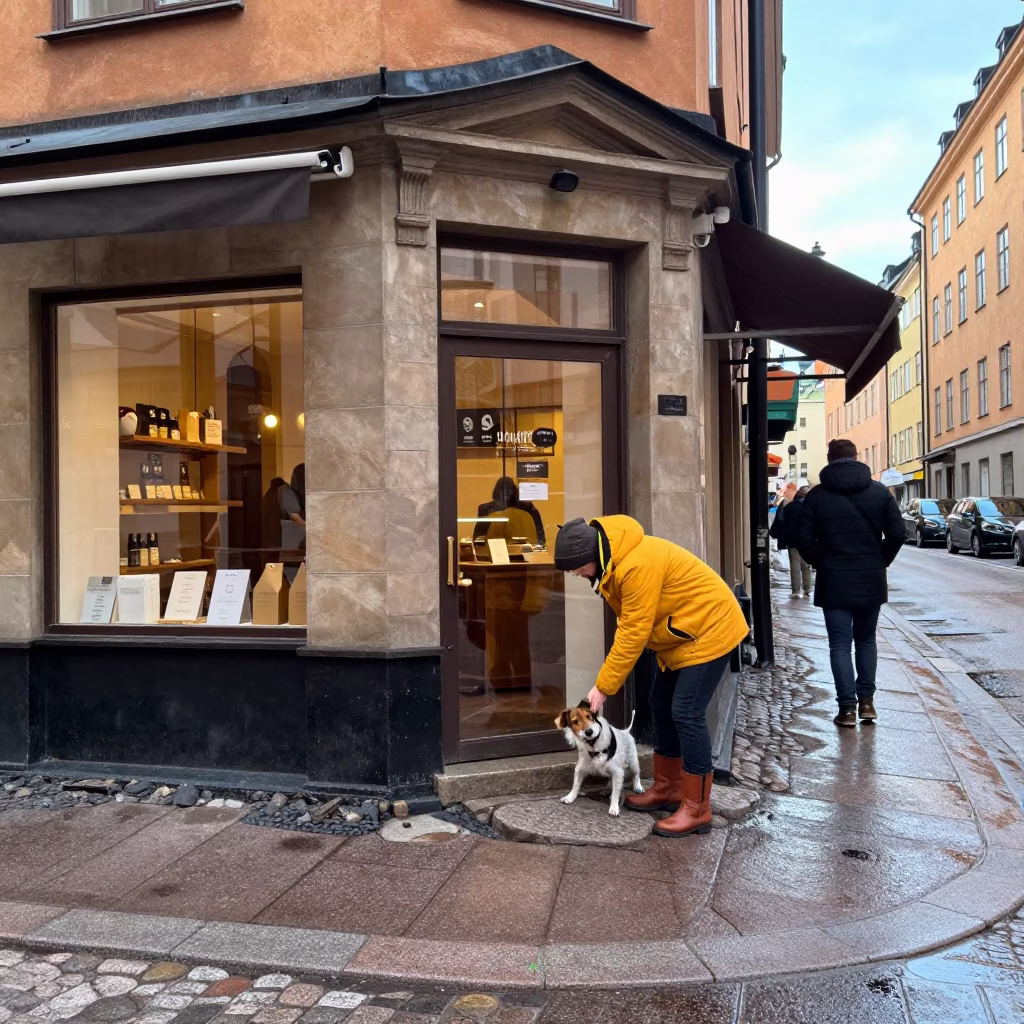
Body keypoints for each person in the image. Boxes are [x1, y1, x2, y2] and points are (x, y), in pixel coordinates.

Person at [554, 515, 749, 837]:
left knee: (686, 712)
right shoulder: (614, 562)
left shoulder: (635, 566)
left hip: (711, 630)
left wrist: (603, 687)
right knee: (661, 704)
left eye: (576, 568)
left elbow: (633, 631)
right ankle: (668, 788)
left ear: (592, 557)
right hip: (683, 636)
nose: (575, 574)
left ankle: (697, 808)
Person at [794, 438, 906, 728]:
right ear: (857, 458)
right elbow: (897, 533)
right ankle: (867, 703)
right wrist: (881, 560)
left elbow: (803, 539)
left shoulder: (817, 496)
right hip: (870, 577)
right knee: (866, 639)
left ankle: (846, 709)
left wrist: (822, 561)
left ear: (829, 459)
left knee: (840, 644)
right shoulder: (880, 492)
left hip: (833, 579)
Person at [474, 476, 546, 547]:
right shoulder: (527, 507)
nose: (507, 494)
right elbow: (479, 537)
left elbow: (478, 537)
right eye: (504, 491)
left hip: (520, 549)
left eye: (509, 491)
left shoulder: (527, 507)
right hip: (499, 549)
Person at [771, 486, 813, 598]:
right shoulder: (811, 507)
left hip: (792, 540)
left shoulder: (789, 506)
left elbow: (781, 521)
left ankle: (796, 591)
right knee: (806, 565)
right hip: (807, 541)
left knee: (795, 566)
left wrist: (778, 535)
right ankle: (807, 589)